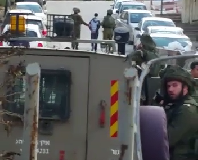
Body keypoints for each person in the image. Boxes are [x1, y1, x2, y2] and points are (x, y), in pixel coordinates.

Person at [155, 66, 198, 160]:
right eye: (168, 86)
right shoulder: (175, 105)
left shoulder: (187, 110)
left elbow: (166, 139)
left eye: (175, 85)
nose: (170, 89)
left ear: (185, 88)